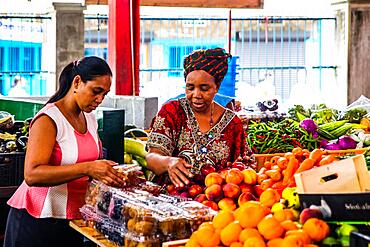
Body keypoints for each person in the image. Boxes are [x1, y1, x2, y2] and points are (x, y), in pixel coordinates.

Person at [4, 56, 126, 247]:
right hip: (37, 223)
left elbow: (92, 165)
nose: (100, 99)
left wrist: (110, 174)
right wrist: (88, 168)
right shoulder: (49, 119)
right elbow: (32, 174)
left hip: (72, 222)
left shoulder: (90, 119)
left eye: (105, 94)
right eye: (96, 91)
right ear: (77, 82)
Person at [146, 48, 247, 191]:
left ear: (216, 87)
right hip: (167, 201)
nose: (196, 94)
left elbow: (241, 170)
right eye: (190, 88)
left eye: (204, 88)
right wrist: (168, 162)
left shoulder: (233, 124)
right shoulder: (172, 111)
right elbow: (151, 158)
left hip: (215, 203)